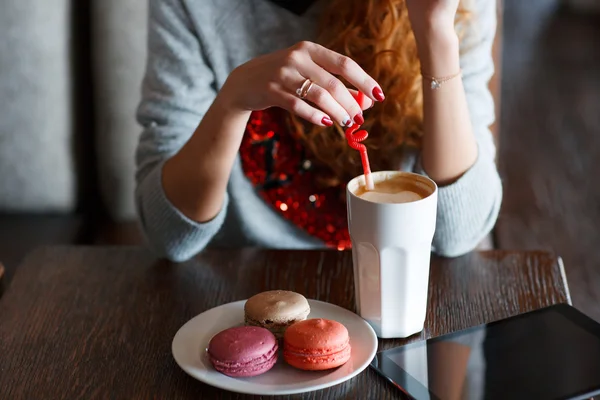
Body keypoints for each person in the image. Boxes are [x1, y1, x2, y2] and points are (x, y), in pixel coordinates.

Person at [135, 0, 502, 262]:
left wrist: (436, 33)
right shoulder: (194, 8)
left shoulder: (458, 8)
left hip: (411, 301)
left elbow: (459, 233)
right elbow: (169, 235)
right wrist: (232, 103)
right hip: (242, 290)